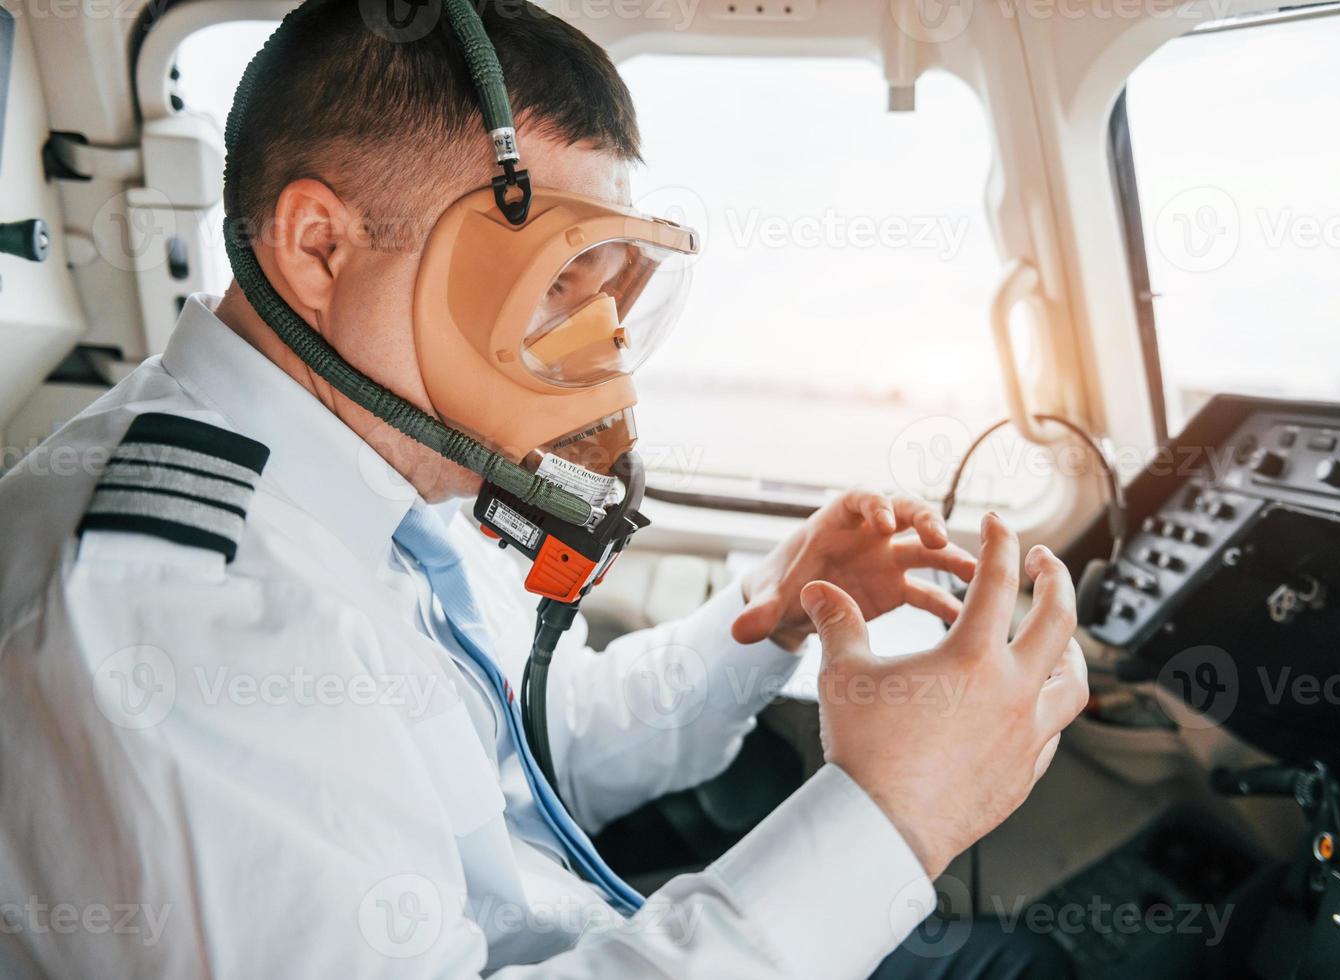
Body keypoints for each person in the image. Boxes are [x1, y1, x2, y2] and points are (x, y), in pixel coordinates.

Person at [0, 1, 1088, 976]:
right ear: (320, 247)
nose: (592, 338)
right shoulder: (173, 607)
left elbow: (541, 736)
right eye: (557, 276)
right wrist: (890, 818)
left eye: (609, 285)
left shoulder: (387, 470)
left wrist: (772, 614)